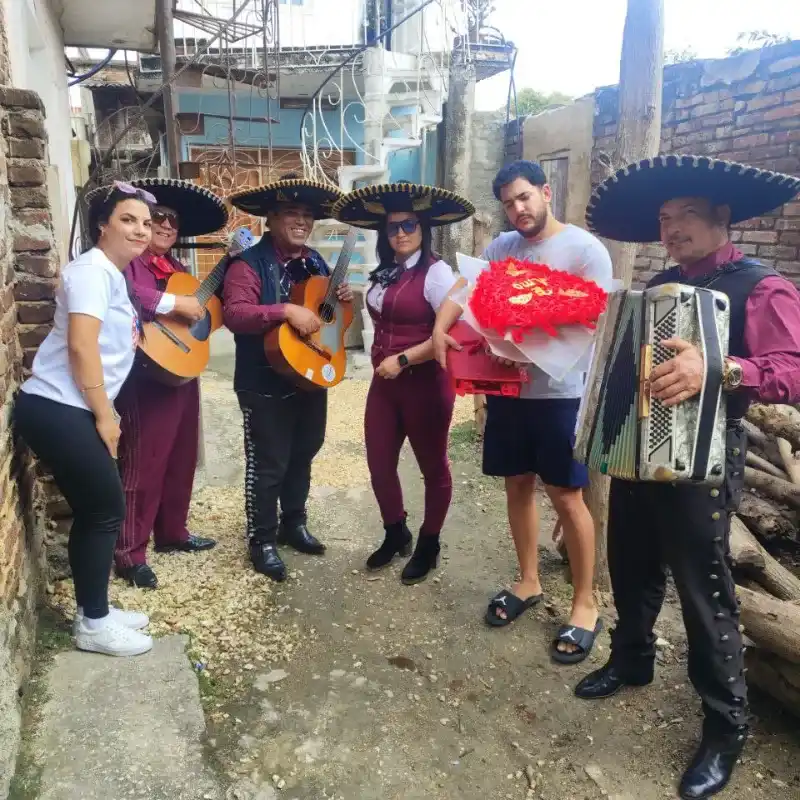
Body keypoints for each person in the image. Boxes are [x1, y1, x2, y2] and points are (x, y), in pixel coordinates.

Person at [573, 154, 800, 800]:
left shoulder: (762, 286)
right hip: (636, 455)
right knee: (631, 565)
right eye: (665, 218)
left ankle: (726, 728)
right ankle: (632, 660)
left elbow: (792, 369)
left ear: (723, 216)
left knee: (704, 595)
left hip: (704, 466)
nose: (672, 228)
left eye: (687, 215)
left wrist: (720, 369)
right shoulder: (661, 284)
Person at [433, 160, 613, 663]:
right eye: (509, 203)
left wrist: (523, 345)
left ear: (545, 192)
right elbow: (464, 289)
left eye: (524, 197)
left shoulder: (584, 250)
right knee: (516, 485)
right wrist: (440, 329)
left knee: (566, 495)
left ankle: (585, 603)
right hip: (507, 393)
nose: (518, 209)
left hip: (560, 395)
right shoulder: (501, 248)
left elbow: (595, 321)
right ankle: (529, 580)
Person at [14, 182, 156, 656]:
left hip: (67, 405)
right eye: (128, 220)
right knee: (104, 510)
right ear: (102, 226)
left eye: (145, 223)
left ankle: (94, 609)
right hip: (60, 406)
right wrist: (105, 415)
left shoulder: (109, 273)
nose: (140, 230)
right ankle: (93, 625)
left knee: (96, 510)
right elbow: (80, 346)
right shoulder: (93, 272)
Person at [85, 179, 229, 588]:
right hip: (143, 374)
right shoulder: (126, 261)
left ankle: (172, 532)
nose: (165, 226)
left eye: (172, 221)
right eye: (157, 218)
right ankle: (129, 553)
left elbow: (200, 316)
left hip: (180, 369)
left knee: (182, 456)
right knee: (143, 463)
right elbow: (127, 293)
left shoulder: (178, 270)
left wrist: (203, 311)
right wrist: (172, 303)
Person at [332, 182, 474, 583]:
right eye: (393, 227)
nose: (401, 233)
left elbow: (452, 335)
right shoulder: (384, 271)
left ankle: (429, 543)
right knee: (379, 463)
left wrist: (405, 358)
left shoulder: (437, 274)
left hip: (425, 385)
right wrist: (346, 300)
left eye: (409, 224)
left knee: (433, 467)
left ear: (423, 228)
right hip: (385, 384)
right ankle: (396, 532)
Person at [222, 174, 352, 582]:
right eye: (292, 213)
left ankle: (293, 523)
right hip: (263, 381)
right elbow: (235, 314)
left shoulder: (315, 261)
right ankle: (261, 540)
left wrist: (341, 300)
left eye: (307, 215)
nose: (301, 221)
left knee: (304, 451)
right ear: (271, 218)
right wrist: (284, 311)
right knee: (268, 463)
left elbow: (327, 316)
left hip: (309, 374)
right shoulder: (246, 265)